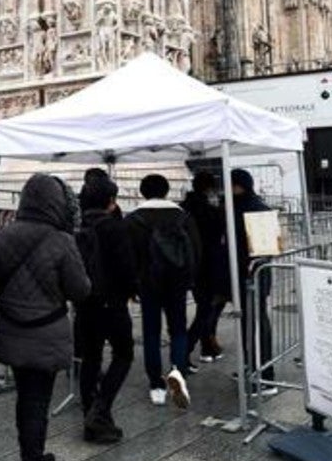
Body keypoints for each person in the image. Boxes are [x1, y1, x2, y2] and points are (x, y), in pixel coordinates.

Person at [0, 174, 90, 461]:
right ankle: (33, 460)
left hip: (12, 328)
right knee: (38, 399)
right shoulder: (62, 239)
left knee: (25, 396)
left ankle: (29, 454)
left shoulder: (6, 234)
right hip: (46, 331)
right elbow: (80, 290)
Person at [125, 174, 202, 408]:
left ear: (142, 192)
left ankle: (156, 385)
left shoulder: (133, 219)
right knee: (178, 329)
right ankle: (178, 371)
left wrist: (132, 285)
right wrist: (190, 279)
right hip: (177, 282)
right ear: (167, 190)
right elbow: (196, 251)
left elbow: (127, 257)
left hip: (147, 284)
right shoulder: (183, 217)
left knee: (151, 332)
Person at [74, 173, 136, 444]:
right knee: (123, 354)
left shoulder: (75, 229)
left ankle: (91, 417)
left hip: (85, 302)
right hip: (112, 302)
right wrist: (133, 289)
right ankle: (101, 410)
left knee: (90, 359)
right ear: (111, 201)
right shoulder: (115, 228)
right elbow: (126, 267)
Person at [230, 168, 277, 396]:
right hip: (244, 276)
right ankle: (251, 367)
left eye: (232, 185)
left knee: (257, 323)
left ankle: (266, 376)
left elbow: (267, 248)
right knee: (247, 324)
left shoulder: (257, 208)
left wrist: (253, 269)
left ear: (241, 186)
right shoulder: (238, 207)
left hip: (254, 276)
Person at [182, 171, 229, 366]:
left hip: (189, 264)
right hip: (209, 265)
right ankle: (186, 349)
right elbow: (219, 233)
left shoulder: (183, 208)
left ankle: (207, 346)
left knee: (207, 307)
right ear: (210, 188)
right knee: (208, 308)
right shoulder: (211, 211)